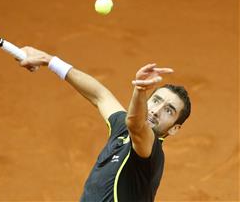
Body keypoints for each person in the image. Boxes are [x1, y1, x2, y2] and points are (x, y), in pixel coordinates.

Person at [18, 46, 191, 202]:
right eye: (156, 101)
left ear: (175, 129)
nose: (156, 110)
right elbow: (99, 95)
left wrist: (139, 90)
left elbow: (136, 126)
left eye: (169, 110)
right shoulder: (123, 128)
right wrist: (49, 60)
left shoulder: (151, 150)